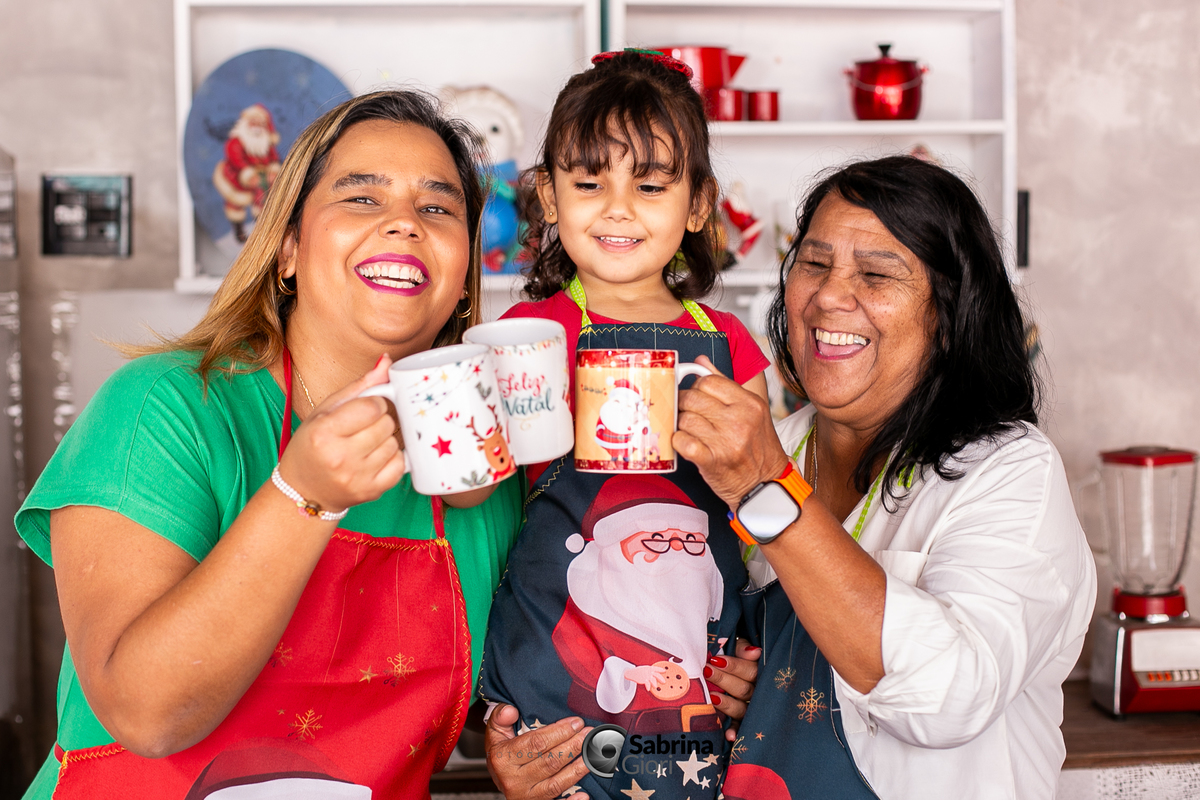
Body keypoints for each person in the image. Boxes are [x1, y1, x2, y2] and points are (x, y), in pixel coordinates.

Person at [15, 90, 524, 799]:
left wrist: (523, 747)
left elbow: (490, 706)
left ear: (464, 272)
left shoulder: (476, 466)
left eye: (438, 208)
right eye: (362, 199)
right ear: (288, 248)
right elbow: (146, 712)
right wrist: (303, 496)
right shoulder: (164, 409)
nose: (405, 223)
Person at [672, 155, 1097, 799]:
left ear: (950, 317)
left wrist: (765, 488)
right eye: (814, 264)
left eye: (876, 274)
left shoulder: (1011, 472)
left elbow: (949, 698)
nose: (828, 296)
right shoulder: (772, 449)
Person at [478, 49, 766, 800]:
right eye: (588, 182)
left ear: (698, 203)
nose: (617, 207)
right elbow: (478, 501)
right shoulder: (528, 333)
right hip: (559, 690)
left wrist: (760, 659)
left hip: (697, 676)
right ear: (547, 195)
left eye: (649, 184)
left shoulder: (730, 344)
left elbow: (770, 503)